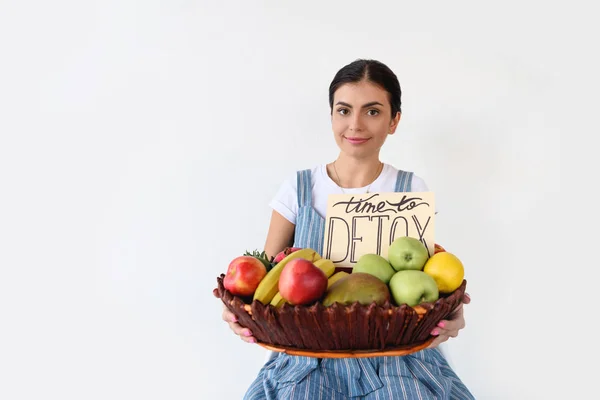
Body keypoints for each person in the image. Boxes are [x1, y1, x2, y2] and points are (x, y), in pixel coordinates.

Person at [220, 59, 474, 399]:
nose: (355, 124)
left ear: (394, 120)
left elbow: (429, 275)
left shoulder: (410, 188)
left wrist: (453, 316)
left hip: (396, 355)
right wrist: (239, 311)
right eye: (343, 111)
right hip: (307, 359)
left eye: (372, 112)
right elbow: (264, 278)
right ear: (331, 116)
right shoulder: (299, 188)